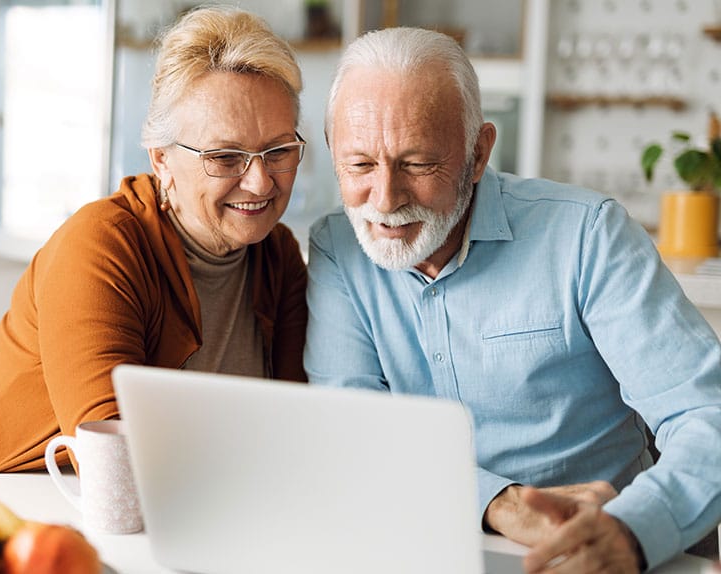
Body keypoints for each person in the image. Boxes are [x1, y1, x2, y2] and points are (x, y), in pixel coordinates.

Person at [305, 27, 721, 573]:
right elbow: (353, 437)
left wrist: (633, 531)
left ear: (478, 154)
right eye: (360, 165)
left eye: (417, 164)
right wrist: (501, 504)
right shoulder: (338, 249)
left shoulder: (587, 235)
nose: (385, 200)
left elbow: (706, 414)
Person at [0, 5, 308, 484]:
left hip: (149, 525)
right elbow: (115, 469)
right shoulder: (102, 245)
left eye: (278, 151)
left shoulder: (279, 256)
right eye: (226, 156)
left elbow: (297, 432)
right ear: (162, 160)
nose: (259, 182)